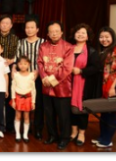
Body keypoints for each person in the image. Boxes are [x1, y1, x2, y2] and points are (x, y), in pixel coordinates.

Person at [37, 21, 74, 150]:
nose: (54, 33)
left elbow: (67, 67)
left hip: (62, 87)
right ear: (47, 33)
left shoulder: (69, 47)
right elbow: (40, 63)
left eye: (57, 31)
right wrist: (44, 77)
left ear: (61, 32)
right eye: (51, 31)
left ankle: (64, 138)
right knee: (49, 113)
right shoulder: (43, 46)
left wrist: (51, 79)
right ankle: (52, 135)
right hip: (46, 86)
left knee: (63, 115)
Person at [91, 26, 116, 148]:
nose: (104, 39)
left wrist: (112, 88)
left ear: (113, 38)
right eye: (101, 37)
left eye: (107, 37)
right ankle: (102, 136)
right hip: (103, 85)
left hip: (113, 86)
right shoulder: (102, 50)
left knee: (111, 113)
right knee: (104, 113)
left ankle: (107, 140)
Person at [69, 23, 101, 146]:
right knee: (70, 109)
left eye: (83, 33)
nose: (80, 34)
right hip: (68, 83)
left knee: (82, 109)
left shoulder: (92, 51)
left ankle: (81, 133)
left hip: (84, 84)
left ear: (88, 37)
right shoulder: (68, 48)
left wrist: (81, 71)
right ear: (74, 35)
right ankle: (73, 131)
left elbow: (96, 68)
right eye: (78, 32)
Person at [13, 19, 45, 140]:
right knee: (23, 102)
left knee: (37, 103)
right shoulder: (21, 42)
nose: (29, 30)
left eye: (32, 27)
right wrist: (14, 72)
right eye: (27, 27)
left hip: (38, 77)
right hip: (23, 77)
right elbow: (17, 59)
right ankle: (23, 129)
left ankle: (38, 129)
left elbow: (44, 59)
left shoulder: (43, 42)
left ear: (37, 29)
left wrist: (37, 71)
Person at [0, 14, 19, 133]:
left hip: (10, 69)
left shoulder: (15, 38)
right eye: (2, 23)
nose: (4, 25)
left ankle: (9, 125)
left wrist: (13, 60)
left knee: (9, 96)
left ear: (11, 25)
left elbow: (19, 53)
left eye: (7, 23)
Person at [11, 56, 36, 143]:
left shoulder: (31, 75)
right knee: (18, 116)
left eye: (25, 64)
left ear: (29, 65)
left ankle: (25, 134)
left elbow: (33, 89)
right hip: (18, 98)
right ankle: (17, 134)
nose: (23, 66)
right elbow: (13, 88)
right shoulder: (16, 75)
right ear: (18, 64)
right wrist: (13, 100)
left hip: (28, 98)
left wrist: (33, 102)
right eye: (20, 64)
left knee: (26, 116)